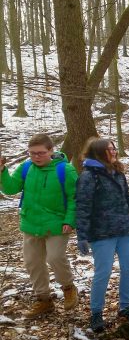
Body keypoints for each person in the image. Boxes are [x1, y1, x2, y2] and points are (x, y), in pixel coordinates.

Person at [76, 138, 129, 332]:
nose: (114, 152)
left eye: (114, 148)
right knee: (103, 273)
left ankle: (125, 307)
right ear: (98, 153)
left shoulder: (118, 173)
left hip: (125, 230)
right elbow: (82, 207)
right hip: (101, 233)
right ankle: (96, 314)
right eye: (109, 150)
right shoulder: (89, 176)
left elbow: (127, 201)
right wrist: (82, 235)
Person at [0, 134, 79, 318]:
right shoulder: (26, 167)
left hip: (57, 224)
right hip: (31, 223)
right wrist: (2, 170)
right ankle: (43, 300)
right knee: (33, 263)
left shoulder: (65, 170)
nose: (36, 157)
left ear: (51, 151)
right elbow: (10, 188)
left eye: (41, 153)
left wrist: (70, 220)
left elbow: (75, 198)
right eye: (32, 153)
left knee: (55, 257)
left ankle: (68, 287)